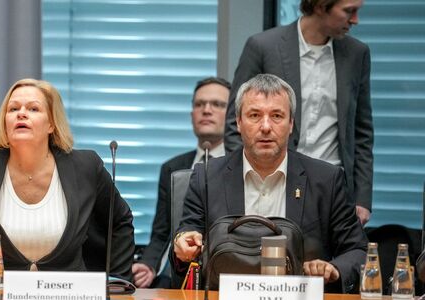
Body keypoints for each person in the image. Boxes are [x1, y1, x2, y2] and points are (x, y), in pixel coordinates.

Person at [0, 78, 135, 282]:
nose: (21, 113)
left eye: (33, 109)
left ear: (51, 124)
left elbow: (121, 220)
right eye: (13, 108)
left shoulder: (86, 167)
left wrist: (118, 284)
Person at [174, 74, 367, 293]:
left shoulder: (326, 179)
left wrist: (333, 268)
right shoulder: (207, 176)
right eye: (254, 115)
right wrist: (183, 245)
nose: (265, 127)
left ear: (291, 123)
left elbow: (358, 251)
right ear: (238, 122)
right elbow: (185, 241)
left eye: (276, 116)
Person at [224, 0, 373, 225]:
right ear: (322, 6)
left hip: (333, 188)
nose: (355, 20)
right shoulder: (263, 46)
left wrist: (362, 198)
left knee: (331, 260)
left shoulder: (357, 53)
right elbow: (235, 121)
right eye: (349, 11)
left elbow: (362, 131)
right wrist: (245, 184)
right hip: (274, 182)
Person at [133, 77, 231, 288]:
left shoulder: (242, 165)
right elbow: (161, 234)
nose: (206, 110)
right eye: (199, 104)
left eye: (217, 104)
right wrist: (148, 265)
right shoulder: (172, 168)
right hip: (178, 270)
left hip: (226, 270)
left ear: (233, 116)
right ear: (191, 115)